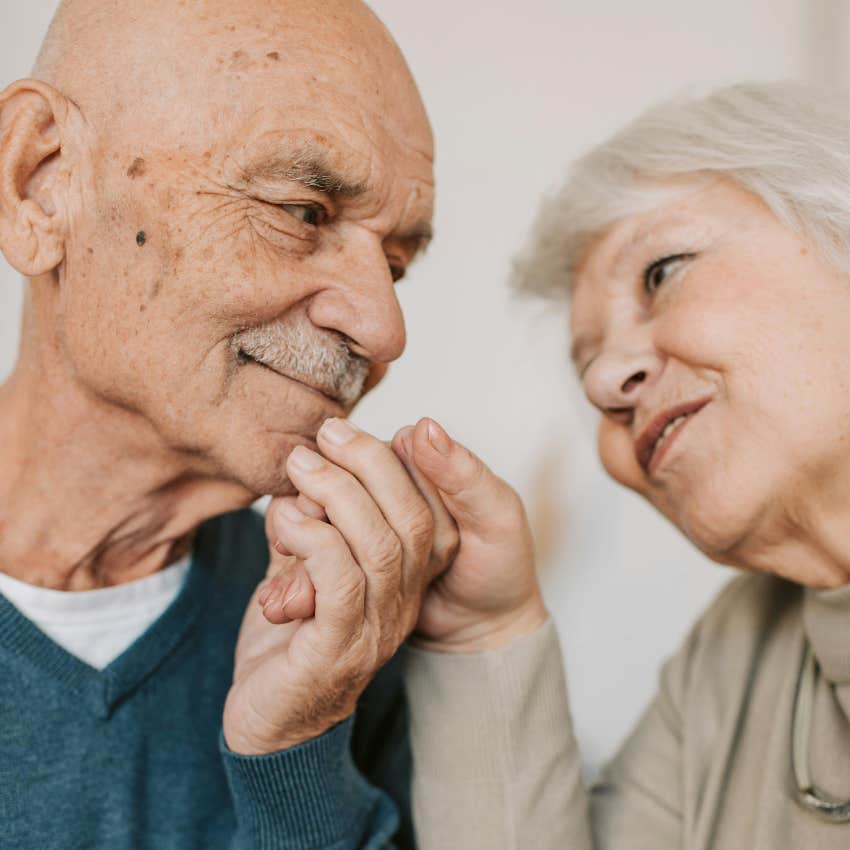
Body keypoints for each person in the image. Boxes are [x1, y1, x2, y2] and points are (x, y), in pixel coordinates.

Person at [0, 1, 548, 847]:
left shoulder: (341, 633)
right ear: (41, 181)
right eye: (303, 212)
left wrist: (296, 753)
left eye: (396, 267)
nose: (385, 329)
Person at [402, 81, 850, 849]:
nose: (606, 381)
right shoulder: (732, 654)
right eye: (587, 366)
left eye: (662, 272)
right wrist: (485, 632)